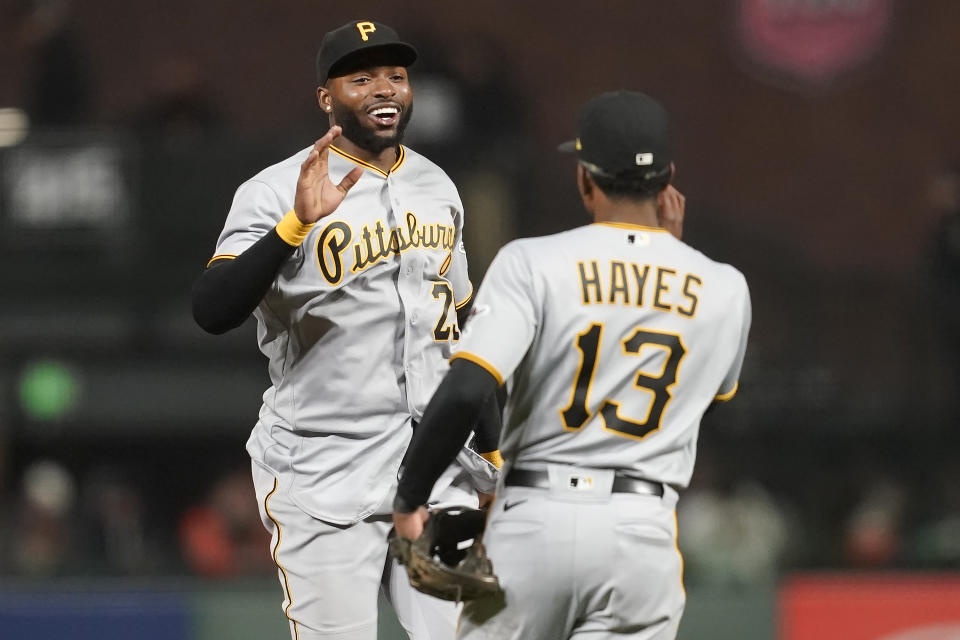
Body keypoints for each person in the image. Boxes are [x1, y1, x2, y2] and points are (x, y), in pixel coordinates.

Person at [393, 91, 751, 640]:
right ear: (668, 180)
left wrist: (411, 497)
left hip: (536, 521)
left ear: (585, 178)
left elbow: (466, 390)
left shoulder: (532, 262)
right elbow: (710, 394)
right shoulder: (725, 288)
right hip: (643, 532)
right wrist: (672, 257)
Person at [192, 20, 501, 640]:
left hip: (437, 471)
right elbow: (211, 309)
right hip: (322, 472)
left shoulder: (436, 184)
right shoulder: (276, 189)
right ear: (326, 98)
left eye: (395, 75)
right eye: (361, 78)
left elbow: (460, 329)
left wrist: (489, 454)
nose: (385, 89)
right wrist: (292, 228)